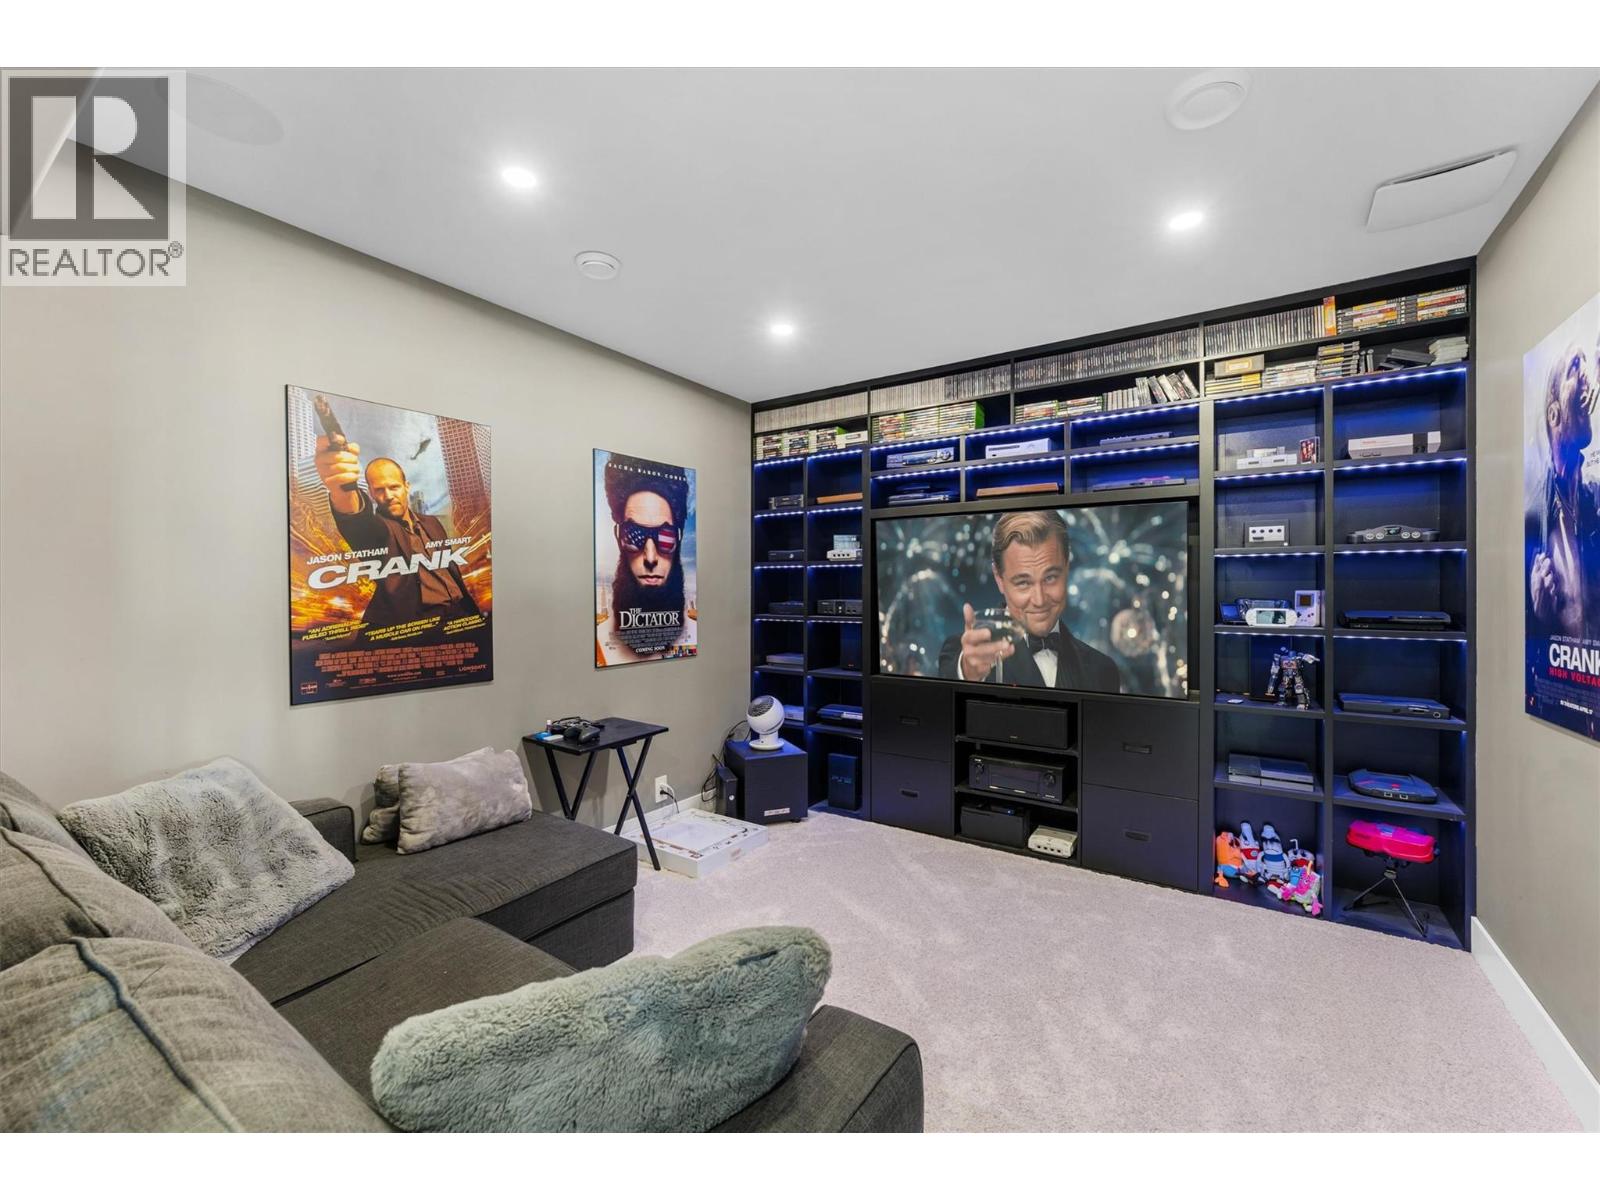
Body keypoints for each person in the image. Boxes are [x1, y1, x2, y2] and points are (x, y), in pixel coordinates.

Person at [938, 509, 1121, 691]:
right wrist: (969, 673)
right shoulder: (963, 654)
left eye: (1050, 578)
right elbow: (947, 698)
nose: (1039, 600)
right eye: (1023, 583)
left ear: (1067, 568)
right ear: (999, 579)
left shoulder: (1102, 670)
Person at [314, 436, 480, 628]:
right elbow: (358, 522)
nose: (388, 496)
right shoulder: (379, 529)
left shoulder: (432, 523)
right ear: (371, 494)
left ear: (406, 487)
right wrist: (342, 488)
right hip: (420, 625)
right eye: (379, 490)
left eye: (394, 487)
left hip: (463, 613)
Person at [1528, 342, 1600, 642]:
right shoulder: (1532, 517)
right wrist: (1538, 614)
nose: (1586, 376)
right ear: (1554, 413)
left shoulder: (1594, 497)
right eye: (1575, 366)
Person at [597, 454, 696, 665]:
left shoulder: (696, 632)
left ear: (678, 539)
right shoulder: (598, 643)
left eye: (665, 537)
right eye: (634, 536)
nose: (650, 558)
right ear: (618, 538)